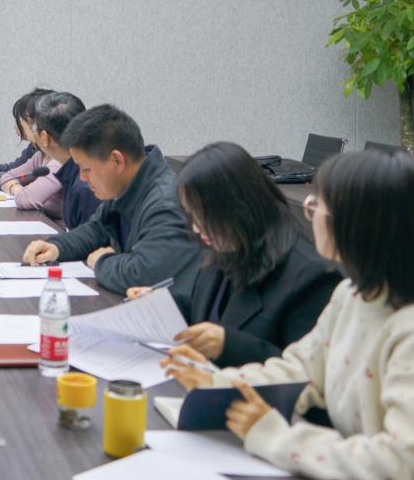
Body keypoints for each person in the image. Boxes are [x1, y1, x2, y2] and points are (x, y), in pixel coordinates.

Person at [163, 150, 414, 480]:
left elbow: (407, 464)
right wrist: (218, 384)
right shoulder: (353, 295)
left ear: (363, 224)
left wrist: (278, 438)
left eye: (319, 204)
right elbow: (301, 369)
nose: (310, 211)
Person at [128, 142, 340, 366]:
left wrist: (228, 345)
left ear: (237, 206)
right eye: (191, 215)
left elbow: (304, 372)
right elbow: (208, 313)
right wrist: (163, 305)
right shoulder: (228, 245)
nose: (197, 228)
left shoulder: (311, 276)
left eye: (203, 215)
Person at [21, 104, 200, 296]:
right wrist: (57, 246)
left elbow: (145, 274)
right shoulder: (127, 185)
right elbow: (96, 229)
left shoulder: (164, 203)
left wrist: (101, 262)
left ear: (117, 161)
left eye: (86, 169)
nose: (82, 178)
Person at [1, 91, 101, 226]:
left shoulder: (82, 183)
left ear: (44, 137)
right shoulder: (77, 166)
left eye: (33, 128)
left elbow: (93, 234)